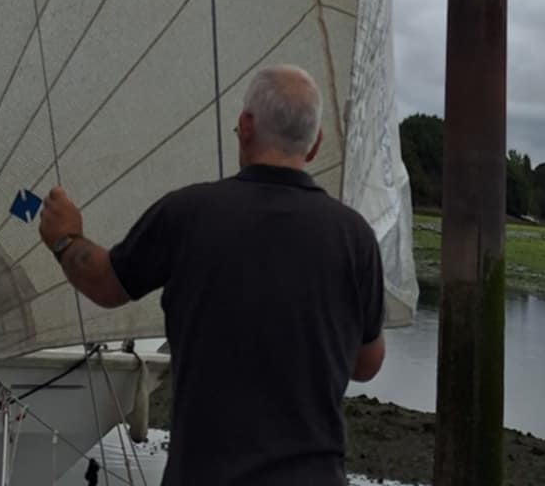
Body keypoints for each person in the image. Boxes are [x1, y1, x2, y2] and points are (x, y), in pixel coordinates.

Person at [38, 63, 386, 484]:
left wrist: (65, 239)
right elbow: (367, 363)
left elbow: (104, 284)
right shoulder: (355, 237)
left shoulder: (184, 215)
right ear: (315, 145)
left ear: (245, 127)